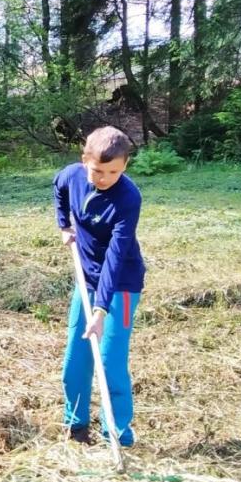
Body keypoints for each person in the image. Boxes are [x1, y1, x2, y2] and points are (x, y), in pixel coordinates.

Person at [53, 125, 147, 448]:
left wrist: (101, 308)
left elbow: (116, 256)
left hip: (120, 283)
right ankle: (75, 423)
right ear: (84, 162)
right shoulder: (73, 176)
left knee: (109, 359)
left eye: (113, 171)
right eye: (98, 171)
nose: (104, 178)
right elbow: (59, 188)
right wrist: (63, 224)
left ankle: (116, 433)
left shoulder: (128, 198)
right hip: (87, 277)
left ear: (125, 167)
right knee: (77, 354)